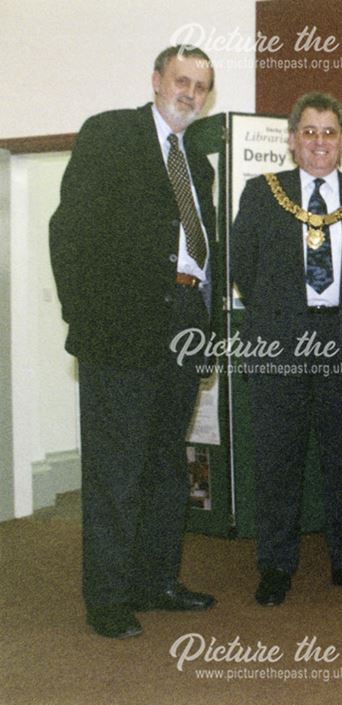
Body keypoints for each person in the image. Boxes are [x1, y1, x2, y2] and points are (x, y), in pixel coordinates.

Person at [49, 45, 217, 639]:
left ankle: (158, 582)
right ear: (155, 81)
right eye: (181, 80)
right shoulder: (110, 134)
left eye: (201, 85)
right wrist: (84, 316)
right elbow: (67, 229)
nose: (190, 93)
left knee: (168, 464)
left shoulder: (199, 160)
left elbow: (200, 246)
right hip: (117, 330)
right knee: (116, 470)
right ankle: (110, 597)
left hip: (184, 325)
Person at [231, 92, 342, 606]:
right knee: (278, 461)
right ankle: (275, 566)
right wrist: (285, 313)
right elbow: (242, 270)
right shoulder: (261, 193)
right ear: (292, 139)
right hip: (281, 343)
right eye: (310, 131)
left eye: (330, 132)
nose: (320, 141)